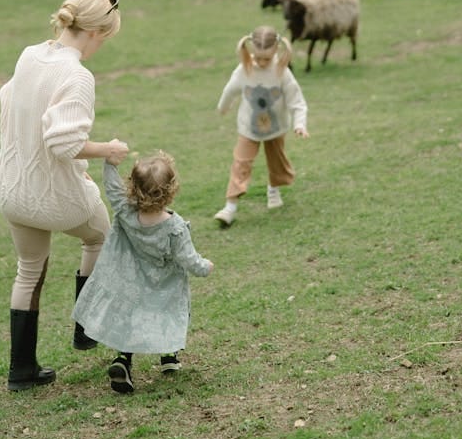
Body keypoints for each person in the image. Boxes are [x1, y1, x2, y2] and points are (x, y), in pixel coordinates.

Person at [0, 0, 129, 390]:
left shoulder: (29, 54)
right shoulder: (76, 75)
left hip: (13, 191)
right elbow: (64, 143)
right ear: (96, 33)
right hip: (56, 198)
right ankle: (85, 328)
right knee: (103, 238)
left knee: (29, 271)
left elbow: (8, 97)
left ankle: (21, 371)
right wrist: (109, 150)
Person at [72, 150, 213, 394]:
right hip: (165, 285)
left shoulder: (126, 212)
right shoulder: (175, 228)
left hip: (131, 281)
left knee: (130, 319)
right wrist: (205, 266)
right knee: (169, 313)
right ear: (171, 190)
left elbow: (112, 189)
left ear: (133, 188)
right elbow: (188, 259)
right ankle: (169, 356)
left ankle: (123, 360)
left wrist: (110, 164)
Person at [213, 24, 309, 227]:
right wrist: (223, 108)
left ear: (276, 50)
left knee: (277, 161)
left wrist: (300, 124)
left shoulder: (282, 72)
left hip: (276, 127)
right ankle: (230, 207)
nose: (262, 62)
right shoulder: (244, 69)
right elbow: (230, 90)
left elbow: (296, 101)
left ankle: (273, 189)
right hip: (249, 128)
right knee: (241, 162)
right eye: (258, 58)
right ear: (250, 51)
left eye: (267, 58)